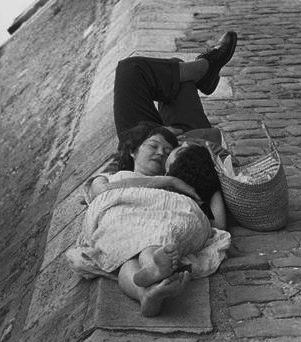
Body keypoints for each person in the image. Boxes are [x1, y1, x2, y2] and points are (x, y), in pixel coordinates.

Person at [66, 123, 231, 316]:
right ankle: (148, 288)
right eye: (153, 146)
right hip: (122, 214)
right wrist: (164, 182)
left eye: (168, 151)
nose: (161, 152)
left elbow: (218, 225)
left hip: (165, 217)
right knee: (127, 251)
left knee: (146, 243)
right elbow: (102, 192)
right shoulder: (112, 176)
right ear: (133, 151)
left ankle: (150, 279)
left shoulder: (181, 189)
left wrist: (213, 180)